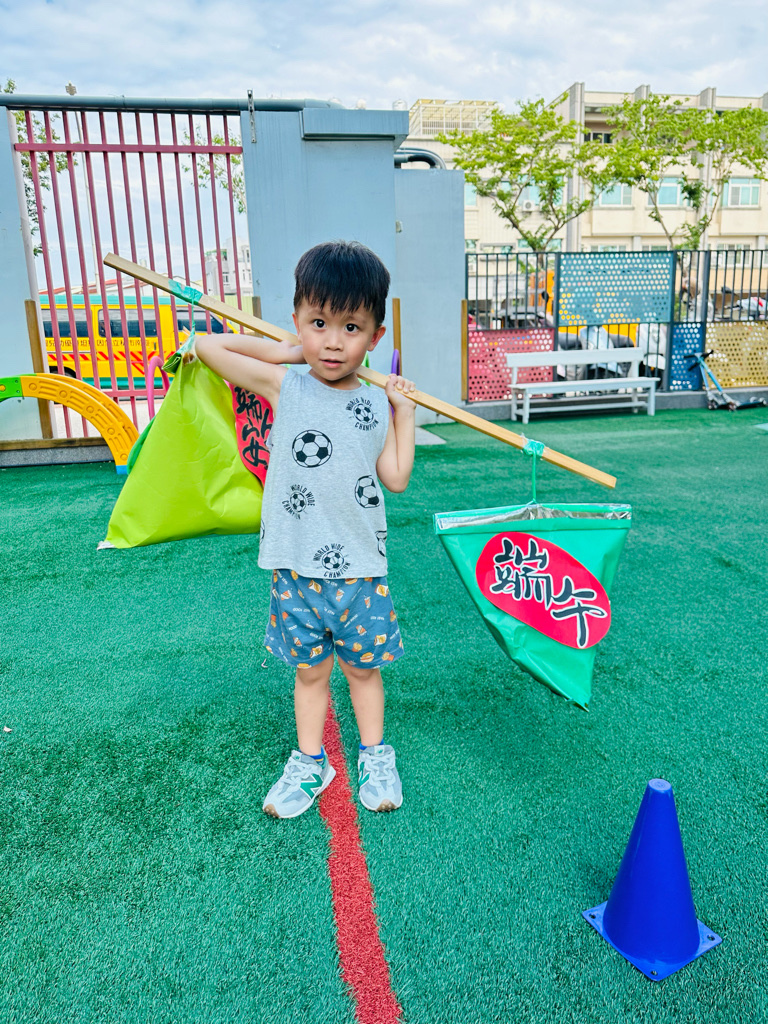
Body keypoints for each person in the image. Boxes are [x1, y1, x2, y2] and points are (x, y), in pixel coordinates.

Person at [195, 240, 417, 819]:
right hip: (296, 566)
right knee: (310, 671)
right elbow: (207, 346)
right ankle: (311, 762)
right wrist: (288, 352)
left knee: (363, 670)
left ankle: (375, 756)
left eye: (351, 327)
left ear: (375, 336)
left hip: (361, 568)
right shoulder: (284, 385)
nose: (334, 342)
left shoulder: (375, 403)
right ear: (297, 320)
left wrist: (405, 413)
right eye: (319, 323)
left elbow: (395, 477)